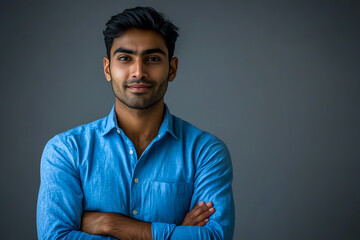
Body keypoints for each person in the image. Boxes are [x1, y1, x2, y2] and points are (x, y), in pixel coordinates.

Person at [37, 6, 234, 240]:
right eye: (125, 58)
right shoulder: (66, 151)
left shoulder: (206, 152)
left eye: (152, 59)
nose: (138, 72)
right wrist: (177, 233)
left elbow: (215, 237)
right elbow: (55, 237)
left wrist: (112, 224)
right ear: (108, 69)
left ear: (172, 69)